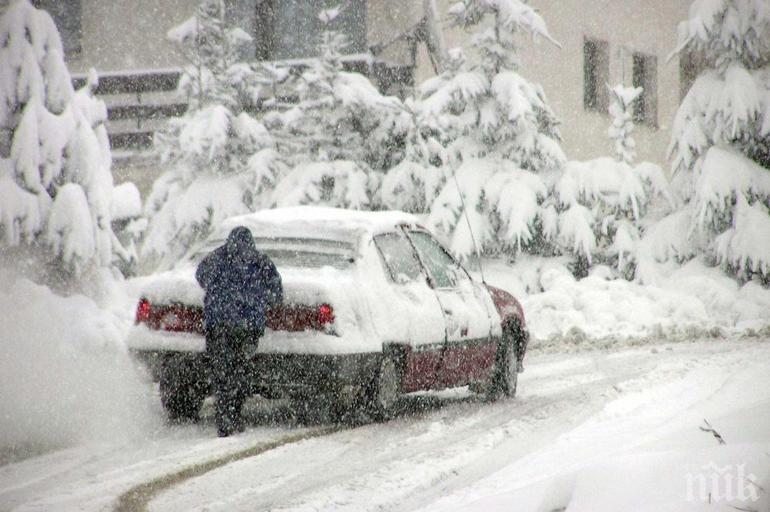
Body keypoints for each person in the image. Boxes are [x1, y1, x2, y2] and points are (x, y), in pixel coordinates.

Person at [196, 226, 283, 437]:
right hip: (247, 329)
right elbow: (276, 293)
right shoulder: (261, 262)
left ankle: (224, 416)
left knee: (221, 372)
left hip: (217, 326)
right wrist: (260, 301)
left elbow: (200, 276)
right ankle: (234, 415)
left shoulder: (216, 258)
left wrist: (218, 294)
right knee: (240, 370)